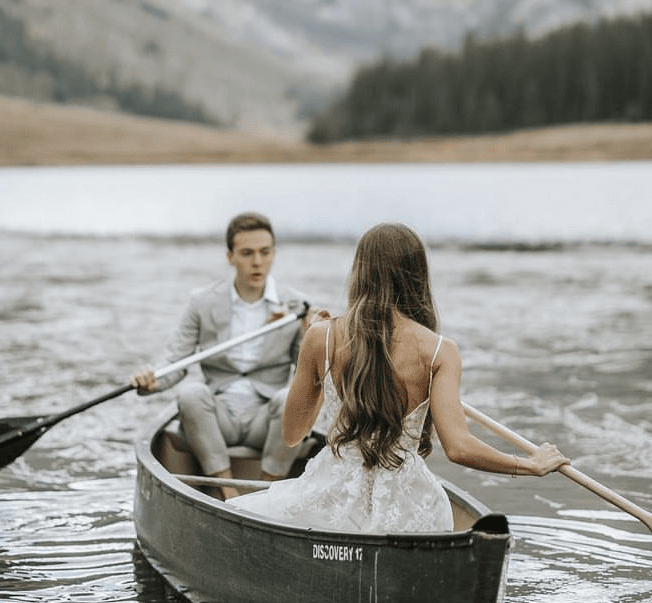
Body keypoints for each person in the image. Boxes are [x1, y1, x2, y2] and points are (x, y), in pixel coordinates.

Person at [231, 222, 568, 532]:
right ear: (417, 275)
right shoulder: (440, 350)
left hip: (333, 497)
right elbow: (459, 448)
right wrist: (530, 464)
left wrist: (317, 354)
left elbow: (293, 434)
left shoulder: (321, 337)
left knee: (242, 511)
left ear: (360, 272)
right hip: (411, 504)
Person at [131, 212, 316, 499]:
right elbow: (175, 361)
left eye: (265, 253)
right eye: (247, 253)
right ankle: (228, 494)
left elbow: (309, 372)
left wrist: (308, 333)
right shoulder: (202, 302)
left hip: (265, 418)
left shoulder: (296, 305)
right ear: (230, 256)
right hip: (219, 416)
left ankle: (265, 495)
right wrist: (153, 381)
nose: (257, 262)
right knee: (191, 392)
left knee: (289, 398)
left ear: (273, 254)